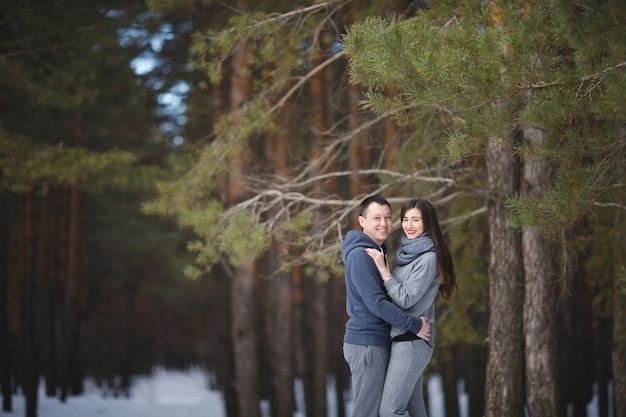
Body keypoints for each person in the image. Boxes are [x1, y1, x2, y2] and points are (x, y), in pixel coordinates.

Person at [365, 198, 457, 417]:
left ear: (428, 223)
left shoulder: (428, 258)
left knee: (390, 411)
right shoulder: (407, 256)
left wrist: (384, 271)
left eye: (416, 220)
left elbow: (406, 299)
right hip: (403, 339)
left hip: (412, 342)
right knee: (414, 411)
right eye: (405, 219)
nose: (409, 225)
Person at [342, 195, 431, 417]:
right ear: (362, 221)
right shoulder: (361, 256)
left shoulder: (376, 252)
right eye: (376, 218)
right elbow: (377, 304)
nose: (383, 223)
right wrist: (414, 325)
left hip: (376, 342)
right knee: (367, 412)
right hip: (366, 344)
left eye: (388, 218)